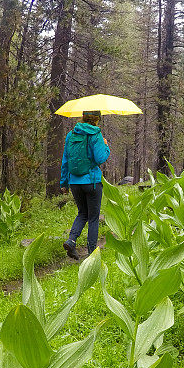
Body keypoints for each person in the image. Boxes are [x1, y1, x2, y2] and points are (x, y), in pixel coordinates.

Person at [60, 110, 110, 259]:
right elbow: (100, 158)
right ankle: (92, 252)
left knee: (82, 213)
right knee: (93, 217)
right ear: (97, 119)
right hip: (92, 182)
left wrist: (64, 183)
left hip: (75, 182)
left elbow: (65, 161)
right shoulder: (95, 134)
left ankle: (71, 240)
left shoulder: (71, 135)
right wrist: (106, 146)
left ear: (83, 118)